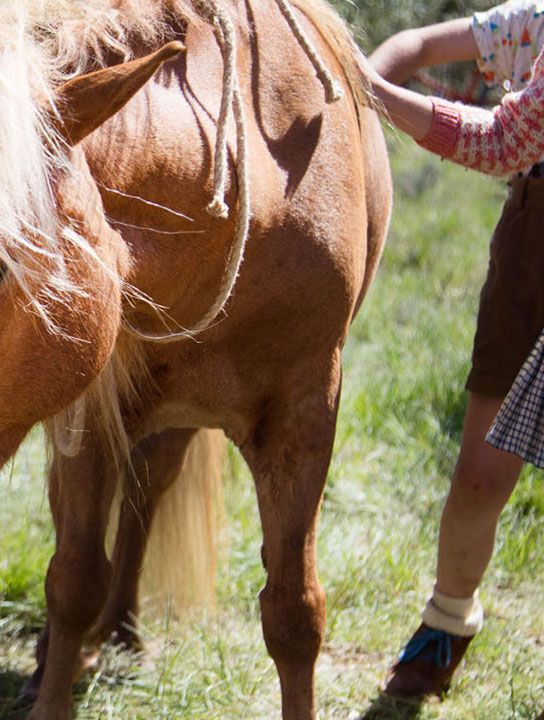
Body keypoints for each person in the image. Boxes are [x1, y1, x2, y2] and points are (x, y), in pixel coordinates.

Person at [364, 0, 544, 702]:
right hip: (536, 251)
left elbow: (502, 142)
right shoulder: (533, 22)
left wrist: (371, 93)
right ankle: (447, 621)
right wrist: (358, 92)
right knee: (478, 476)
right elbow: (410, 41)